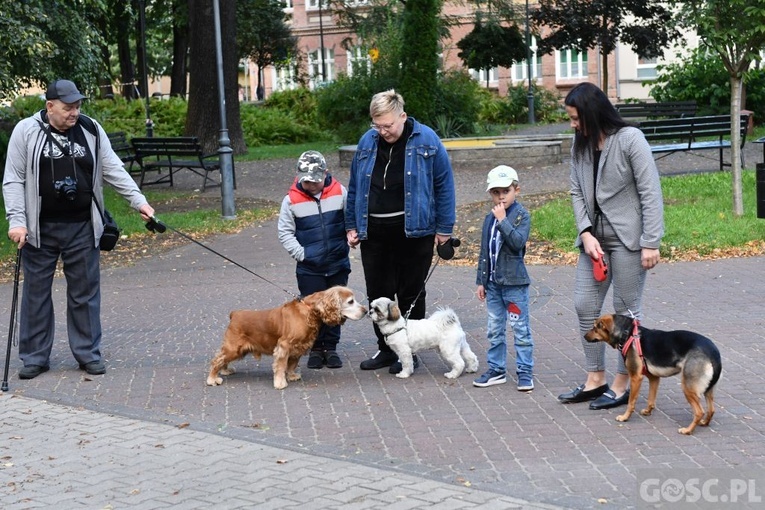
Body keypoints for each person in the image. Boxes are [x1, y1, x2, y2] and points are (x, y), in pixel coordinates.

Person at [3, 79, 156, 379]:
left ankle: (87, 353)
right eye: (67, 107)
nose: (74, 112)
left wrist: (140, 202)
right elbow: (13, 180)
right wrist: (17, 221)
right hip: (38, 228)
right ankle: (34, 357)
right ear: (49, 107)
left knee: (85, 293)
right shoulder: (26, 131)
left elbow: (113, 168)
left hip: (82, 227)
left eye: (77, 106)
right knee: (35, 293)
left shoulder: (90, 129)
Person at [557, 82, 664, 410]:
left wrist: (651, 242)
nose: (573, 124)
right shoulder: (580, 143)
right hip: (594, 242)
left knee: (625, 314)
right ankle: (595, 378)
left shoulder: (630, 139)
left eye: (576, 118)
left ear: (592, 112)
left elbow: (650, 190)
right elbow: (576, 190)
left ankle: (622, 381)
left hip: (630, 240)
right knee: (584, 305)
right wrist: (585, 232)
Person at [345, 89, 456, 374]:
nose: (382, 131)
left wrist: (444, 229)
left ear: (402, 117)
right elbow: (356, 185)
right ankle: (386, 349)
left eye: (388, 125)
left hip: (414, 231)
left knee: (411, 292)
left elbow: (444, 185)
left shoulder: (427, 140)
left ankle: (410, 351)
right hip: (375, 231)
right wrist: (352, 224)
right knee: (377, 293)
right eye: (377, 125)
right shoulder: (366, 142)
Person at [277, 150, 351, 369]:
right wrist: (302, 254)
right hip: (309, 267)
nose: (311, 185)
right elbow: (285, 232)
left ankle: (331, 347)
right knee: (311, 309)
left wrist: (348, 240)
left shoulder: (340, 192)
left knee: (336, 307)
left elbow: (350, 220)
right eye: (306, 181)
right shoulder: (291, 200)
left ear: (325, 173)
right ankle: (316, 349)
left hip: (337, 262)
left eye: (315, 181)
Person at [473, 165, 535, 390]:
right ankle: (497, 369)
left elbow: (517, 242)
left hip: (515, 285)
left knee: (521, 330)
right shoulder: (489, 219)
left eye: (506, 191)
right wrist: (481, 281)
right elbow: (484, 252)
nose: (501, 196)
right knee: (494, 328)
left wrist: (503, 221)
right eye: (496, 192)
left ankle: (525, 371)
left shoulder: (521, 215)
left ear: (516, 190)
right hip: (493, 285)